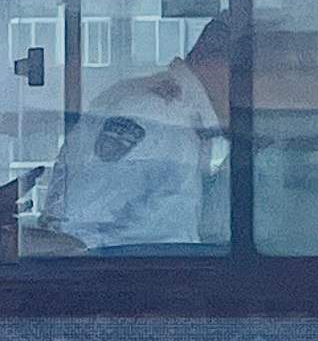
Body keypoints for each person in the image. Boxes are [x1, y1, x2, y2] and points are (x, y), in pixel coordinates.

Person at [24, 16, 235, 252]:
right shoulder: (154, 117)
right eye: (253, 72)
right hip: (124, 273)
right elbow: (80, 233)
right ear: (214, 62)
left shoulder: (186, 120)